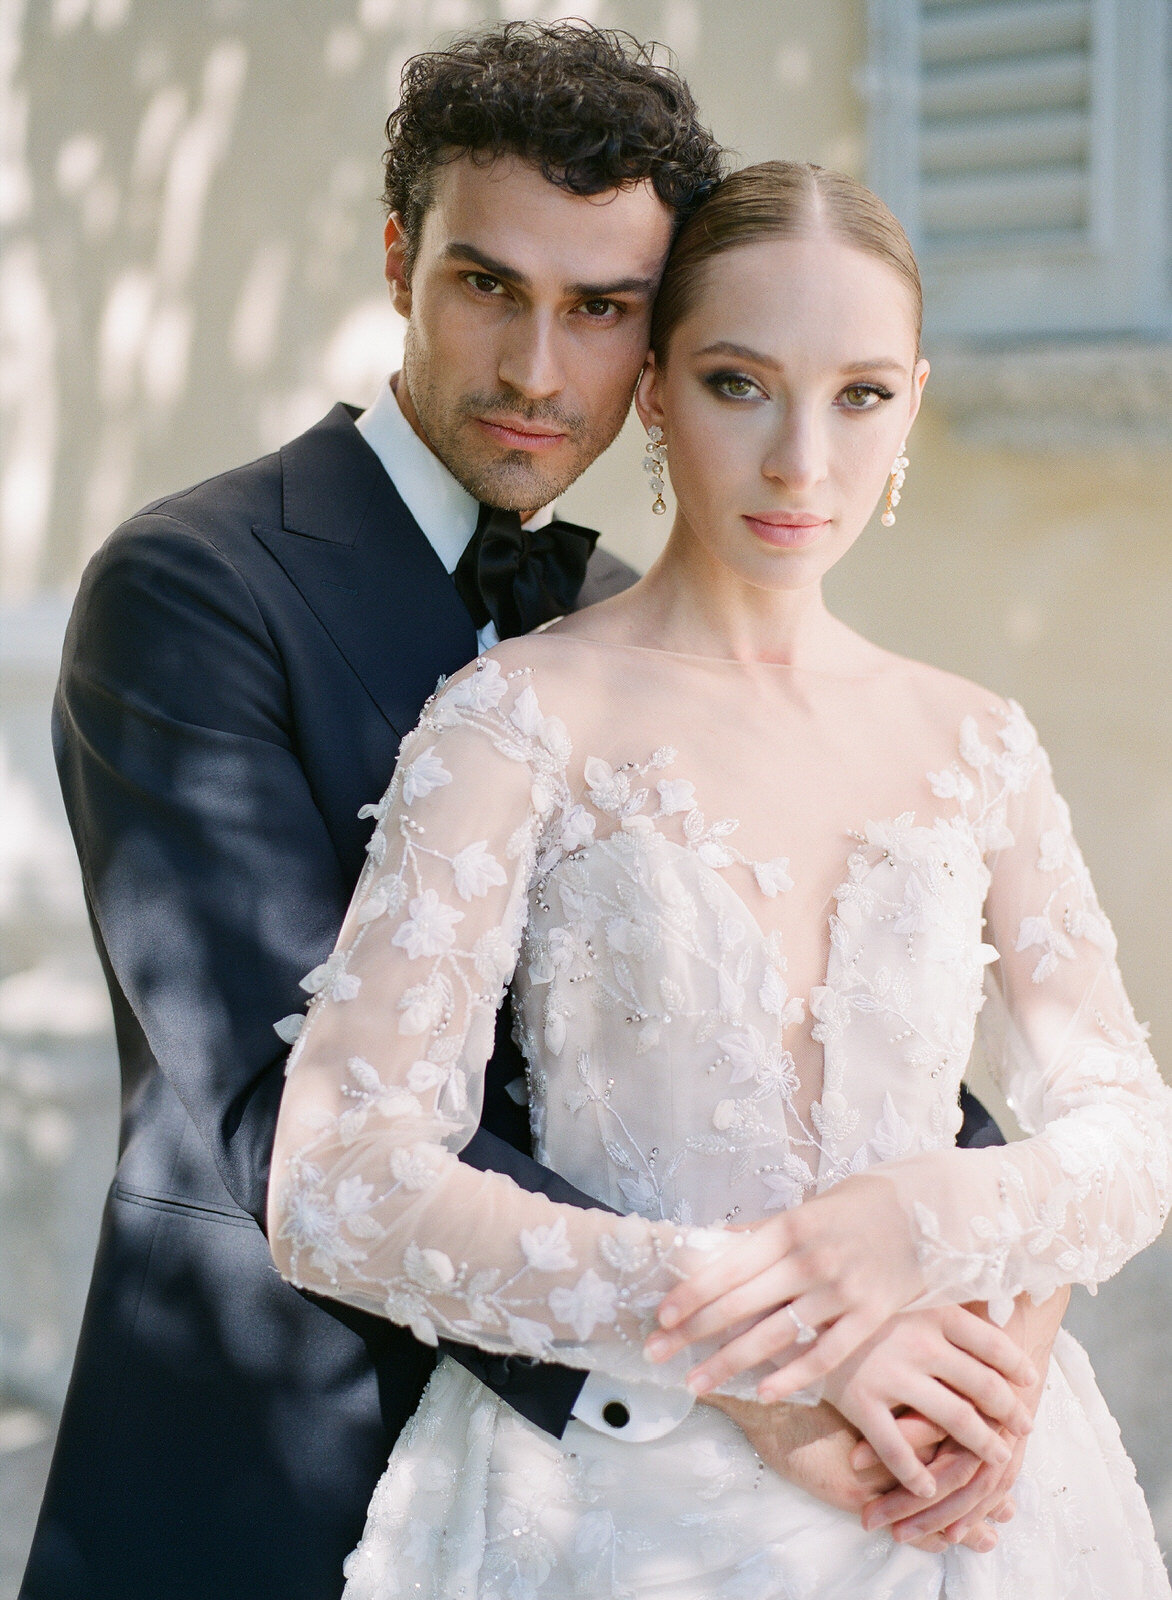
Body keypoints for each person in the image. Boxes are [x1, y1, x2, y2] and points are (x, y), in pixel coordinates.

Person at [28, 23, 1052, 1598]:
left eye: (601, 311)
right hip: (278, 1465)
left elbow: (783, 1013)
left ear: (656, 349)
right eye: (487, 285)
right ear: (397, 261)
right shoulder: (190, 589)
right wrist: (756, 1361)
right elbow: (263, 1109)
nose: (533, 369)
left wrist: (982, 1258)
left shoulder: (626, 612)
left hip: (627, 1511)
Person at [268, 160, 1172, 1598]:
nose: (803, 461)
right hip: (618, 1512)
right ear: (657, 395)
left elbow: (1127, 1130)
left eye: (862, 394)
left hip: (975, 1492)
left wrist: (916, 1230)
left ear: (914, 406)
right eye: (742, 383)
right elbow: (336, 1186)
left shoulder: (978, 742)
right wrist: (775, 1312)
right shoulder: (516, 724)